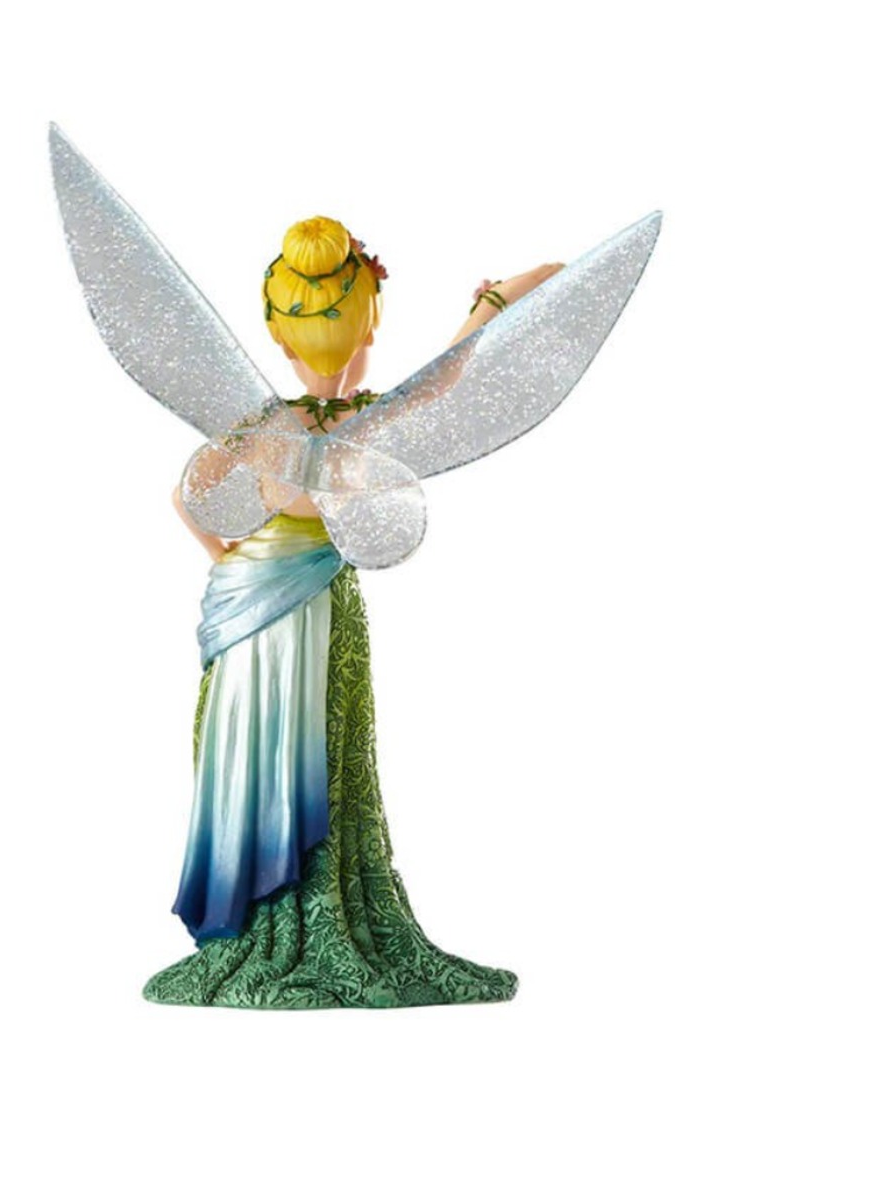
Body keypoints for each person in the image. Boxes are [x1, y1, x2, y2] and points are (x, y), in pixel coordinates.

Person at [143, 216, 560, 1008]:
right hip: (307, 594)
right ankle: (300, 893)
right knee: (313, 739)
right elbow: (445, 375)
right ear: (365, 332)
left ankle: (252, 903)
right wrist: (496, 300)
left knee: (253, 741)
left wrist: (228, 560)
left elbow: (182, 496)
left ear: (282, 336)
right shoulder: (362, 420)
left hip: (250, 595)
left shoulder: (261, 423)